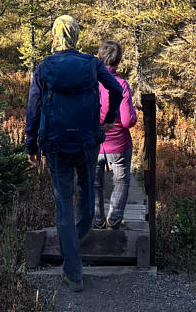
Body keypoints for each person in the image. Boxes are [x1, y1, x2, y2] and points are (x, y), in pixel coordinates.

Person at [25, 15, 123, 292]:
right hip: (87, 142)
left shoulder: (44, 68)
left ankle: (73, 271)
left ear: (55, 36)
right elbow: (115, 88)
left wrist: (30, 145)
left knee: (63, 205)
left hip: (55, 144)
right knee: (88, 191)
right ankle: (76, 239)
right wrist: (110, 115)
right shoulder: (91, 64)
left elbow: (33, 110)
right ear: (76, 36)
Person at [92, 40, 139, 230]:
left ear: (99, 58)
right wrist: (135, 115)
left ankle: (97, 220)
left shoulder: (90, 84)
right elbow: (128, 121)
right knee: (121, 180)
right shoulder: (121, 85)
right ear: (119, 60)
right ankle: (114, 219)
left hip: (95, 143)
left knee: (95, 182)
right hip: (119, 143)